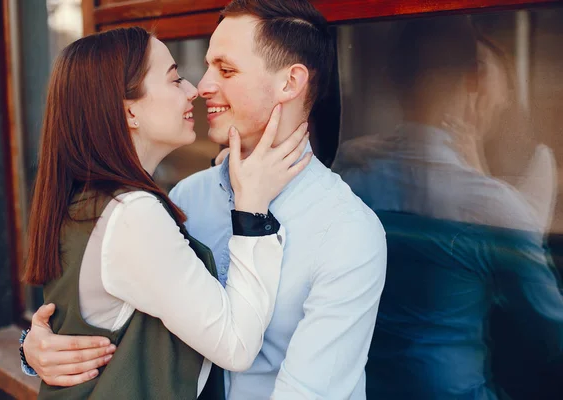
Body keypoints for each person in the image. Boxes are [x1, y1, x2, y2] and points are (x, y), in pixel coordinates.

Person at [22, 1, 387, 399]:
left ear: (290, 82)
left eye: (226, 70)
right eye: (205, 67)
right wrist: (36, 344)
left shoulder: (347, 231)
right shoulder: (184, 199)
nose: (203, 85)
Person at [333, 17, 563, 399]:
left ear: (390, 77)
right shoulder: (492, 205)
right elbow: (552, 330)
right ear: (474, 81)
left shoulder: (347, 182)